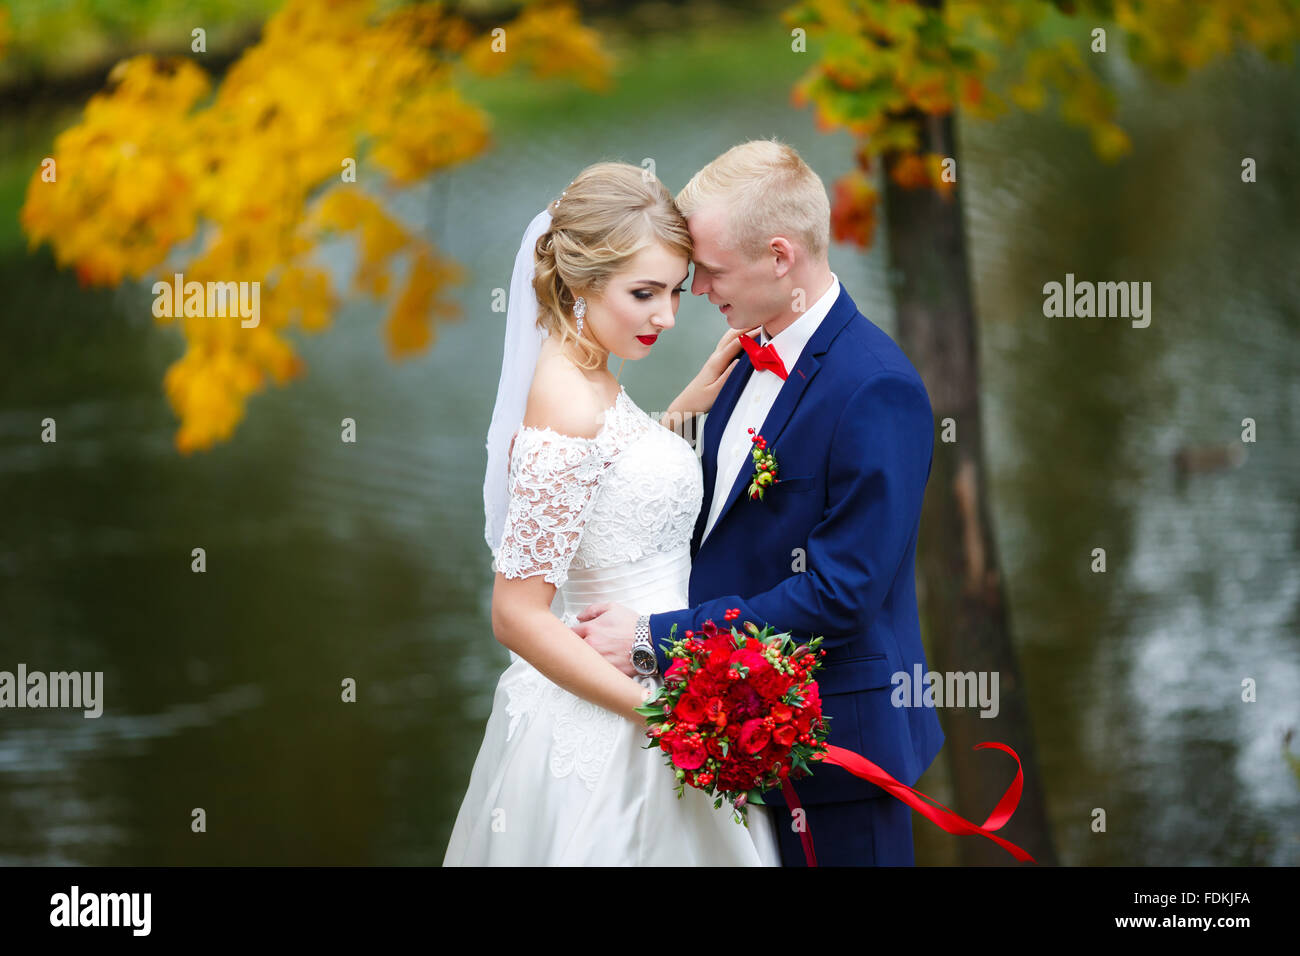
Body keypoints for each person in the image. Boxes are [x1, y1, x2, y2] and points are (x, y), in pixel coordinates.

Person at [574, 139, 945, 866]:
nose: (697, 292)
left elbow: (841, 594)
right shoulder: (745, 355)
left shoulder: (876, 388)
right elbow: (703, 517)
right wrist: (681, 420)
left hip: (835, 755)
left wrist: (656, 638)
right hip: (734, 749)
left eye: (709, 272)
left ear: (780, 256)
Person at [444, 161, 779, 865]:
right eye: (644, 293)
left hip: (660, 680)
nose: (666, 315)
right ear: (580, 283)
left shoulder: (589, 371)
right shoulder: (564, 401)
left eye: (676, 291)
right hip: (619, 715)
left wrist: (682, 415)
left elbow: (611, 486)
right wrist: (666, 719)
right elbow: (517, 614)